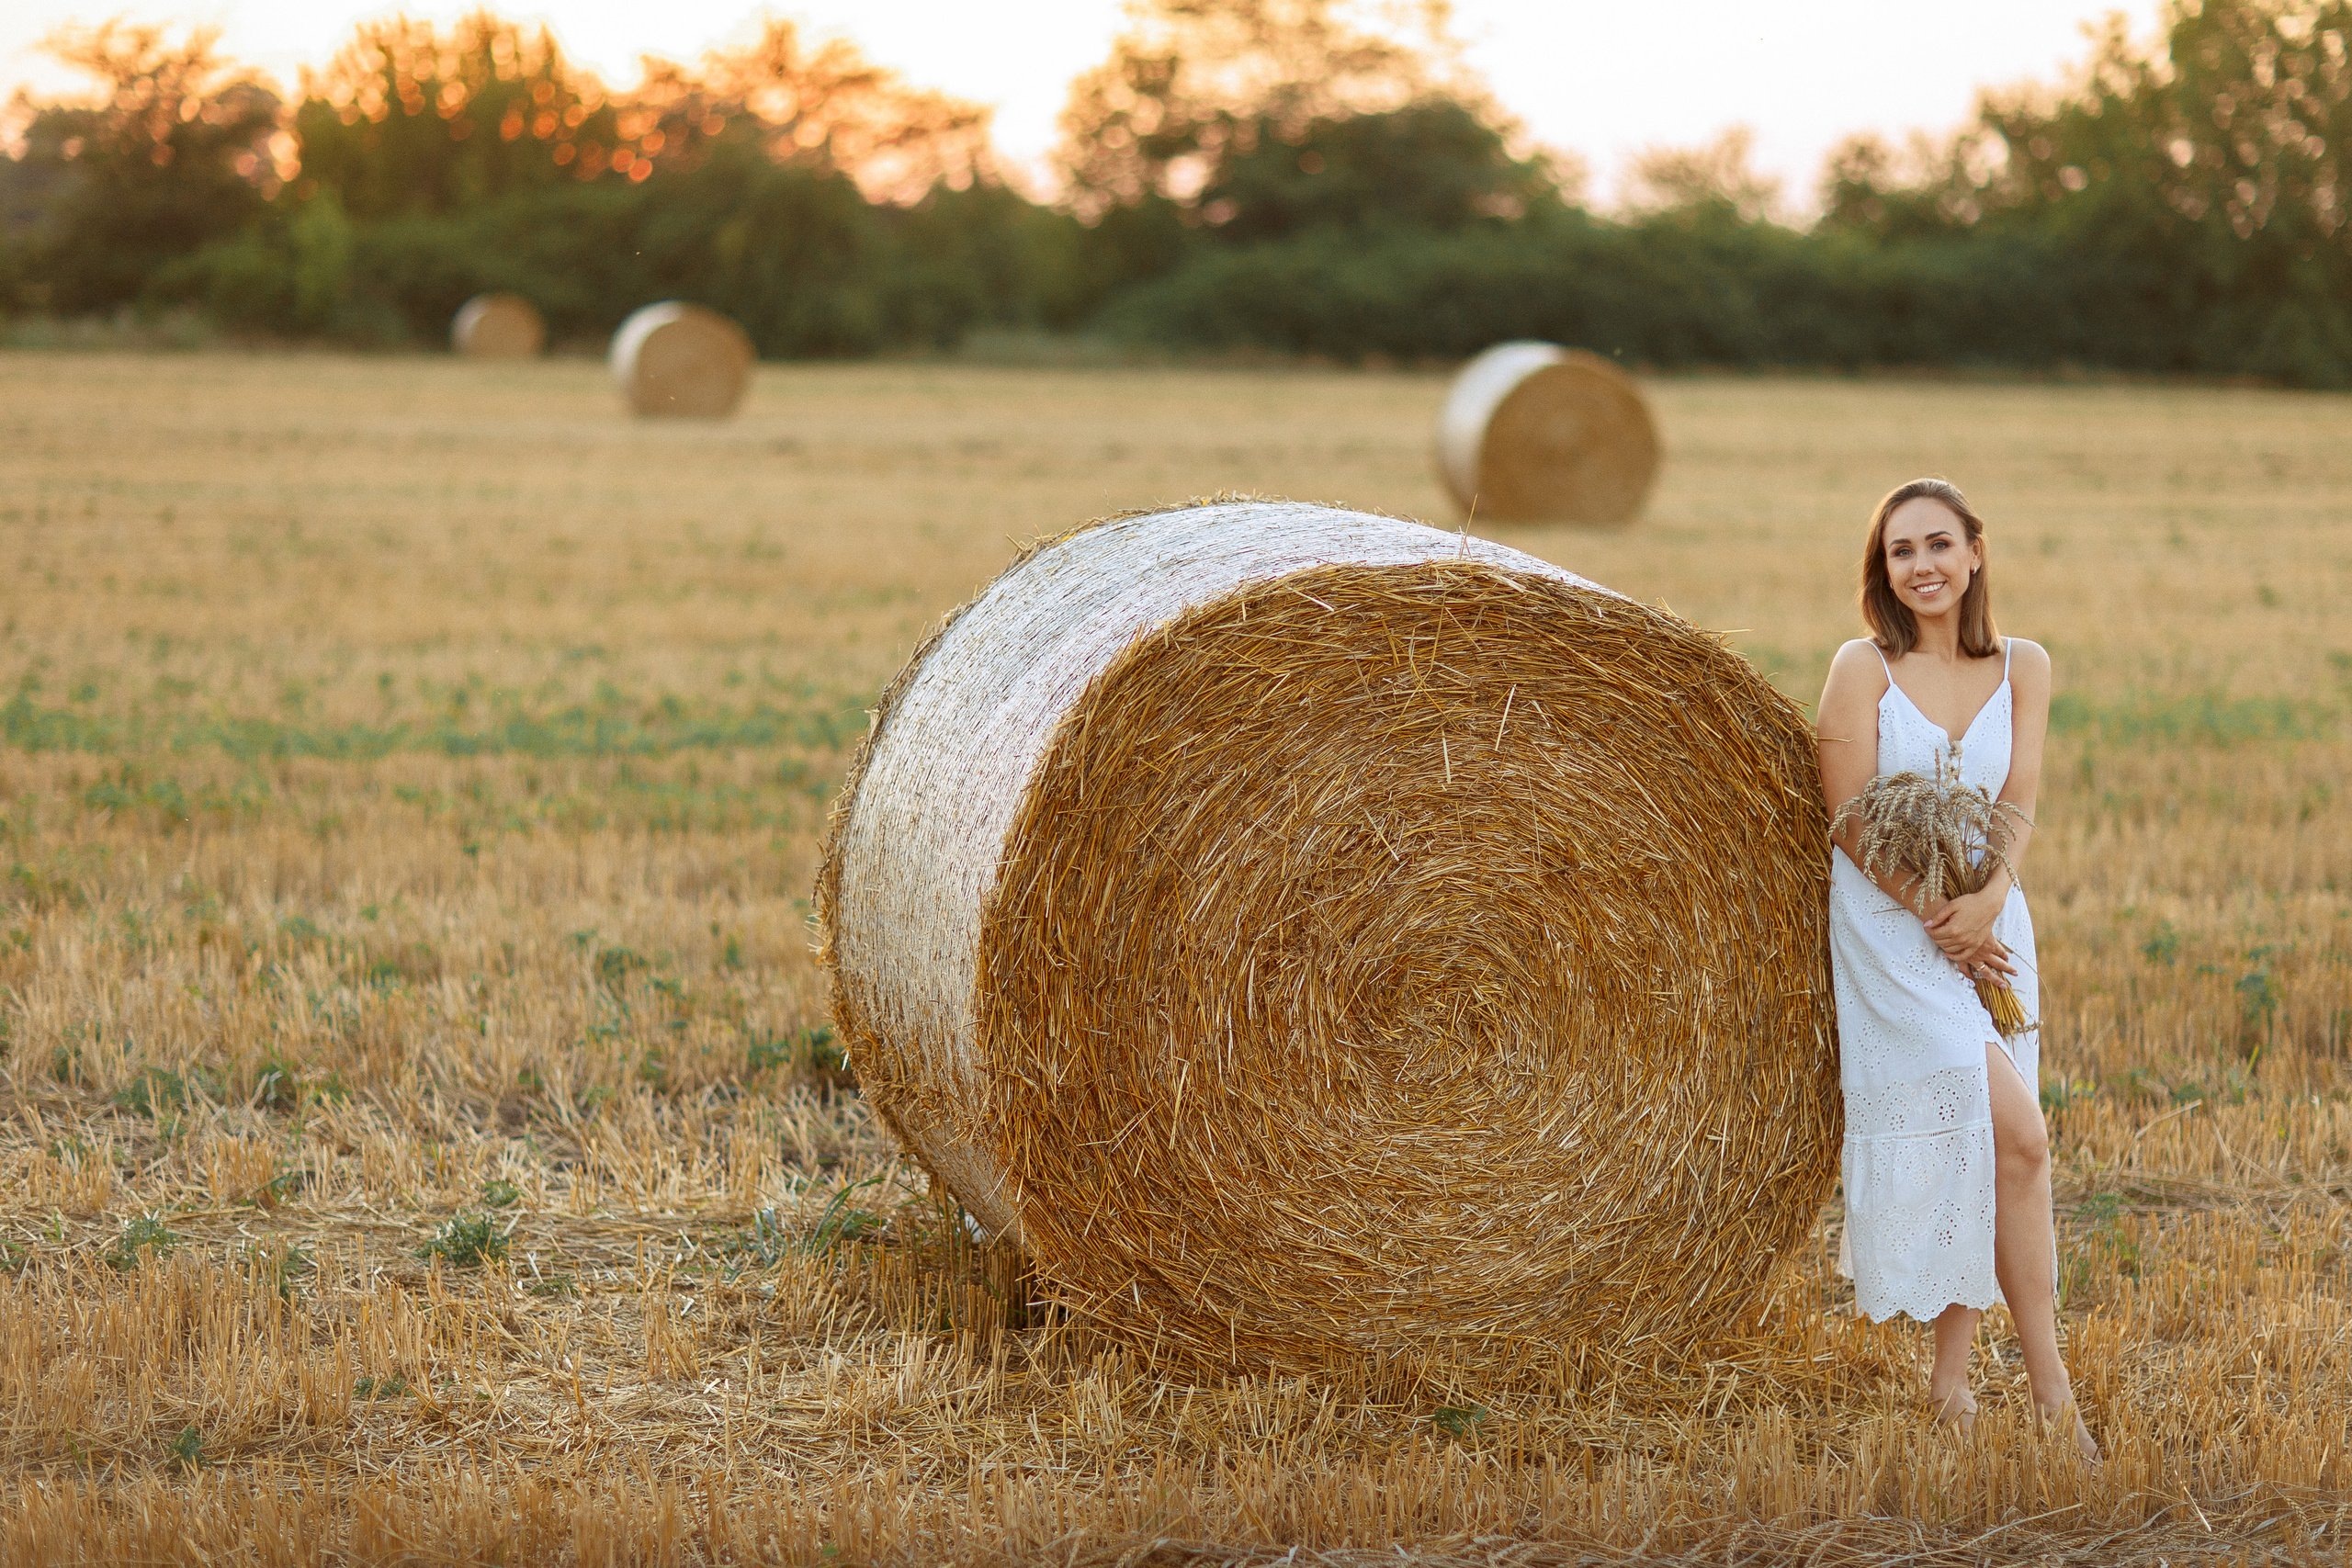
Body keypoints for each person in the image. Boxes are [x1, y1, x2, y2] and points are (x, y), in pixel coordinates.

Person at [1814, 476, 2098, 1461]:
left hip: (1989, 920)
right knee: (2018, 1133)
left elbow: (2018, 796)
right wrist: (1937, 916)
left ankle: (1952, 1384)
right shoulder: (1862, 667)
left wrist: (1987, 900)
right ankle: (2053, 1395)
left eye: (1938, 544)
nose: (1922, 565)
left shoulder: (2025, 665)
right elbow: (1848, 817)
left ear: (1975, 552)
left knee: (1992, 1149)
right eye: (1901, 551)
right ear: (1883, 569)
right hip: (1894, 932)